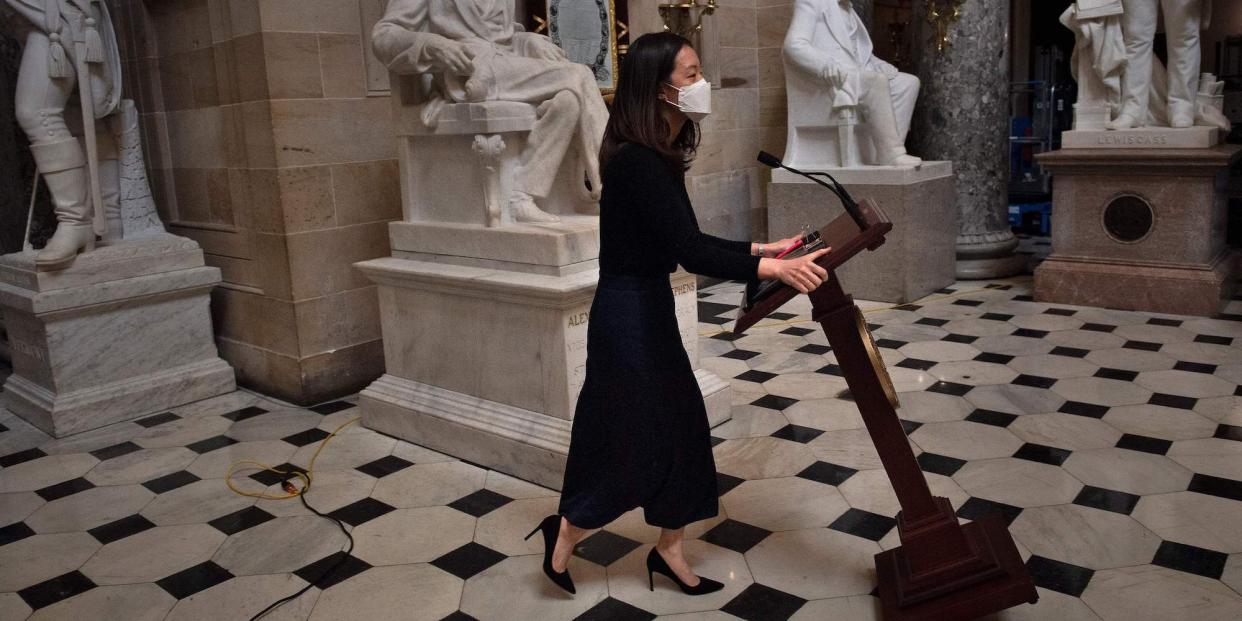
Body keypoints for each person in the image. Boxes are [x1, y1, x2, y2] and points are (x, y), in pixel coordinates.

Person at [524, 32, 831, 596]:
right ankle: (566, 530)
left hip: (649, 307)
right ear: (658, 88)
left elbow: (682, 238)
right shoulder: (636, 162)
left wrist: (759, 251)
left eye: (697, 71)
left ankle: (668, 549)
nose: (700, 84)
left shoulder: (659, 156)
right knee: (630, 433)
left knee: (683, 429)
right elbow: (690, 251)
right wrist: (772, 272)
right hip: (626, 316)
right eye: (690, 75)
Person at [371, 0, 608, 223]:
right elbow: (384, 36)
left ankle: (522, 194)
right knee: (579, 75)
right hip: (467, 73)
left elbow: (505, 37)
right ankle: (613, 183)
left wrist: (527, 41)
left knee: (568, 101)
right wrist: (433, 45)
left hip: (504, 66)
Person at [783, 0, 921, 166]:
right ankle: (892, 153)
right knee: (875, 82)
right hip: (831, 79)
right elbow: (793, 45)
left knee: (909, 83)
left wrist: (880, 65)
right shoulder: (811, 2)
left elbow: (859, 54)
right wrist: (825, 65)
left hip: (855, 74)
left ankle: (881, 151)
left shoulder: (849, 11)